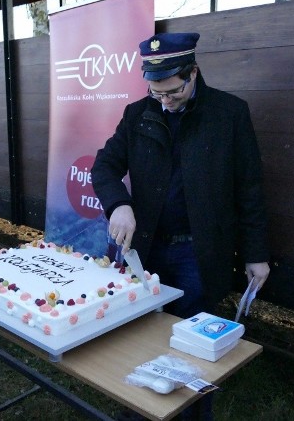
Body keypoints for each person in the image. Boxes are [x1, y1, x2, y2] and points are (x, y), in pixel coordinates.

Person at [92, 32, 270, 320]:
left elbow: (249, 188)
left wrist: (256, 253)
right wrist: (118, 205)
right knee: (142, 325)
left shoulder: (229, 114)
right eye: (156, 92)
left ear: (193, 72)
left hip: (199, 251)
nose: (165, 101)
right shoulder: (137, 114)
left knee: (189, 332)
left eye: (174, 92)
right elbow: (104, 167)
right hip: (147, 245)